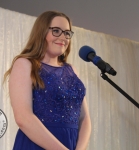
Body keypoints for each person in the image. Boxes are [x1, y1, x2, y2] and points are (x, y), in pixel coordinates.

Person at [3, 11, 91, 150]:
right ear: (41, 32)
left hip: (71, 144)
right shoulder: (25, 64)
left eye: (67, 33)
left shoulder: (72, 70)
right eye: (56, 31)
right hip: (37, 145)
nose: (63, 37)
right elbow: (23, 118)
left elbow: (84, 118)